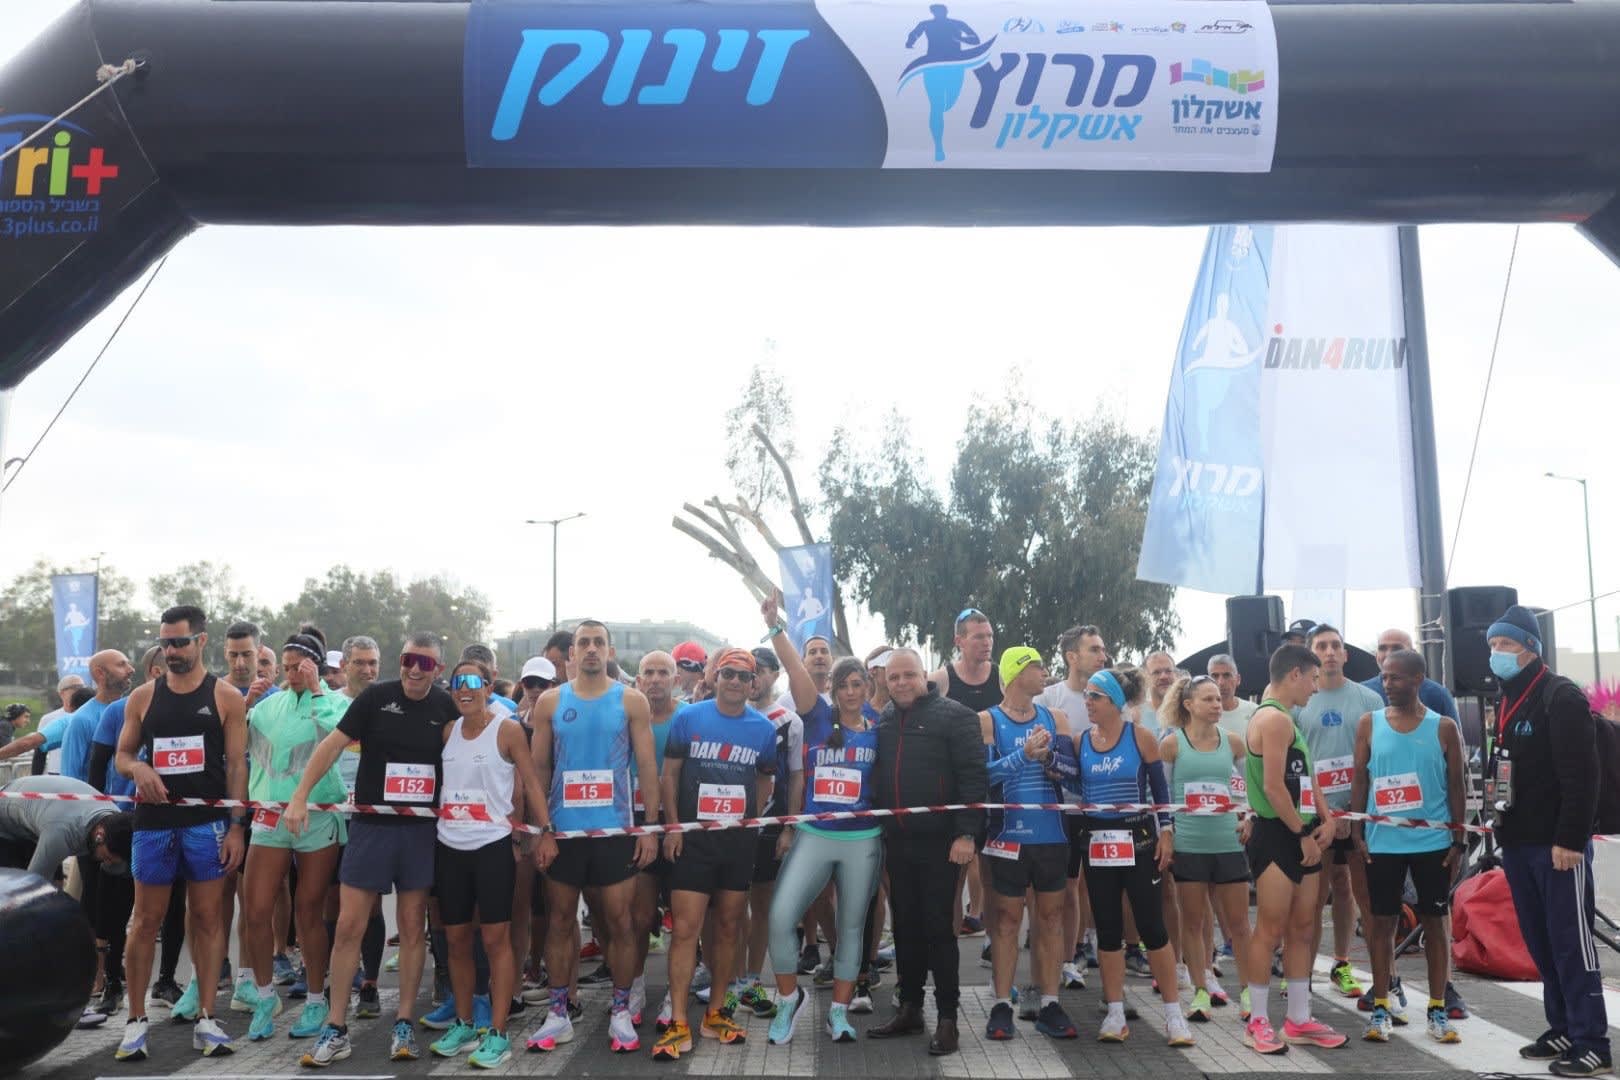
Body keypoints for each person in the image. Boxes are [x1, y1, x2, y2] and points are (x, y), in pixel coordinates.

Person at [287, 631, 459, 1067]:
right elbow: (331, 745)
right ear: (399, 661)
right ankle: (336, 1026)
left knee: (412, 926)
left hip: (420, 831)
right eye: (409, 659)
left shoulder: (444, 705)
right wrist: (300, 795)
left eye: (426, 663)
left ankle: (403, 1023)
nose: (415, 669)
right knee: (348, 926)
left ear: (438, 669)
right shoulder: (376, 698)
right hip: (371, 828)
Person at [114, 605, 249, 1062]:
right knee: (144, 920)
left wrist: (236, 826)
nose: (171, 651)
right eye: (166, 642)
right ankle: (134, 1021)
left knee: (209, 919)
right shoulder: (143, 697)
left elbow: (236, 766)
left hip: (205, 823)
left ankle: (207, 1017)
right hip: (153, 824)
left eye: (180, 642)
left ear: (201, 641)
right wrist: (138, 769)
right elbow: (122, 756)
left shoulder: (227, 697)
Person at [1486, 605, 1611, 1077]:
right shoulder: (1506, 697)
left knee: (1570, 944)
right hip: (1518, 842)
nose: (1497, 653)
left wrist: (1571, 838)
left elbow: (1583, 777)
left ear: (1531, 649)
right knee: (1540, 942)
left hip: (1558, 846)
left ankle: (1592, 1039)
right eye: (1493, 645)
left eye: (1507, 645)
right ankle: (1561, 1024)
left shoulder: (1560, 696)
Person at [527, 620, 661, 1054]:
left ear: (609, 651)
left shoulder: (631, 700)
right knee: (561, 921)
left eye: (597, 643)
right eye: (582, 643)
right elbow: (540, 770)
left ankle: (621, 1010)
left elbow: (646, 767)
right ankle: (559, 1012)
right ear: (571, 653)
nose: (589, 649)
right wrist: (542, 828)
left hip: (614, 830)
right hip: (564, 832)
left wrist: (649, 828)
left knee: (619, 923)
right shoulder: (550, 701)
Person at [651, 647, 778, 1061]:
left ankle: (717, 1012)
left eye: (744, 677)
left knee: (727, 928)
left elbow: (764, 778)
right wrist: (672, 827)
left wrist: (751, 823)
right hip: (693, 841)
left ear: (754, 683)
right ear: (715, 676)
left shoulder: (762, 729)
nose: (736, 683)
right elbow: (668, 774)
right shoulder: (689, 717)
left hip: (736, 844)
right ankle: (679, 1020)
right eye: (728, 675)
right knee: (686, 930)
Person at [1056, 667, 1191, 1046]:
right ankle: (1115, 1012)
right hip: (1096, 841)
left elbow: (1160, 792)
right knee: (1108, 930)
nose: (1088, 703)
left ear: (1114, 702)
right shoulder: (1082, 741)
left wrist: (1166, 831)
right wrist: (1048, 762)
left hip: (1137, 838)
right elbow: (1069, 781)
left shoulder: (1140, 737)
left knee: (1152, 927)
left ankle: (1173, 1014)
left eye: (1095, 697)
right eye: (1086, 697)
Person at [765, 610, 881, 1045]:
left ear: (868, 688)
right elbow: (795, 667)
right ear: (831, 688)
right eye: (843, 684)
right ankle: (788, 999)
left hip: (863, 839)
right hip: (816, 834)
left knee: (852, 926)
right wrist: (776, 628)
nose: (851, 692)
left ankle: (840, 1012)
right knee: (780, 916)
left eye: (858, 684)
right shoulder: (815, 715)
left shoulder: (879, 729)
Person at [425, 658, 548, 1068]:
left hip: (493, 846)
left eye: (472, 682)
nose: (464, 689)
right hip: (450, 846)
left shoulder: (507, 729)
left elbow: (530, 781)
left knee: (496, 940)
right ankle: (463, 1021)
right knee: (457, 940)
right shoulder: (448, 732)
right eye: (457, 683)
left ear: (489, 686)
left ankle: (497, 1033)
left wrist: (543, 831)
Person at [867, 648, 985, 1056]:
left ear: (924, 675)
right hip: (897, 842)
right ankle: (910, 1008)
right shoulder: (883, 720)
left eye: (908, 676)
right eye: (894, 677)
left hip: (942, 844)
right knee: (905, 929)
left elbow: (974, 778)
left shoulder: (956, 716)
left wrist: (966, 834)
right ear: (885, 680)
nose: (901, 683)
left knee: (939, 930)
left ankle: (948, 1019)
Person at [239, 635, 353, 1043]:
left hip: (318, 816)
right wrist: (244, 706)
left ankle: (317, 998)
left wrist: (318, 689)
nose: (292, 673)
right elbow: (233, 743)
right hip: (271, 813)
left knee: (309, 911)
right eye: (286, 666)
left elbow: (340, 737)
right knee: (255, 909)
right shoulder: (268, 705)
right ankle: (266, 995)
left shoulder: (336, 702)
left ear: (317, 665)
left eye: (299, 666)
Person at [1349, 648, 1465, 1045]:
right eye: (1384, 677)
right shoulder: (1369, 724)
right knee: (1381, 925)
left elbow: (1456, 786)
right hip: (1383, 841)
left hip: (1432, 841)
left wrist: (1459, 839)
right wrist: (1357, 830)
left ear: (1418, 680)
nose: (1387, 684)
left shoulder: (1443, 727)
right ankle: (1381, 1005)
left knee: (1435, 924)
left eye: (1395, 678)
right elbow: (1360, 780)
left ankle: (1436, 1008)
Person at [1242, 644, 1346, 1056]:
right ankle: (1259, 1021)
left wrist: (1327, 819)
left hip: (1301, 830)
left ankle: (1299, 1018)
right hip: (1277, 834)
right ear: (1295, 675)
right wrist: (1303, 830)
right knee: (1269, 929)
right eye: (1314, 679)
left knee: (1303, 928)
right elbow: (1271, 788)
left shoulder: (1288, 720)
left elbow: (1306, 779)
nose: (1317, 688)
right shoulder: (1271, 719)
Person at [980, 646, 1078, 1041]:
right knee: (1005, 921)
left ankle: (1049, 1003)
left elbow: (1073, 775)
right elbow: (982, 775)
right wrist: (1022, 755)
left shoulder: (1055, 718)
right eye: (1038, 667)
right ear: (1018, 673)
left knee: (1051, 919)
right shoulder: (987, 720)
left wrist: (1048, 758)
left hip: (1052, 834)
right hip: (1007, 837)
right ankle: (1002, 1002)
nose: (1045, 673)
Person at [1159, 675, 1252, 1021]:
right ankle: (1199, 990)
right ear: (1189, 705)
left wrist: (1248, 818)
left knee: (1239, 924)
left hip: (1228, 843)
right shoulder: (1172, 744)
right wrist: (1166, 832)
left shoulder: (1234, 742)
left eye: (1218, 699)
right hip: (1189, 844)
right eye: (1208, 699)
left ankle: (1247, 992)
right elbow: (1163, 796)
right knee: (1193, 923)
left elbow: (1249, 788)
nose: (1217, 704)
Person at [1299, 625, 1383, 1000]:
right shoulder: (1302, 701)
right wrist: (1323, 814)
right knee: (1311, 898)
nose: (1330, 651)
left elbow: (1379, 759)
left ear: (1346, 654)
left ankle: (1342, 962)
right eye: (1322, 646)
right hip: (1316, 814)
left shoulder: (1368, 699)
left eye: (1336, 645)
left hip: (1359, 814)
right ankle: (1300, 973)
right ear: (1311, 655)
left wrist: (1354, 812)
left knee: (1351, 890)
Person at [1038, 624, 1106, 988]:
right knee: (1061, 887)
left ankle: (1075, 951)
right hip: (1056, 809)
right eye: (1094, 649)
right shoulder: (1049, 698)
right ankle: (1059, 959)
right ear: (1072, 656)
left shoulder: (1109, 699)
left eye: (1102, 649)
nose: (1102, 655)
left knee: (1087, 887)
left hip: (1096, 810)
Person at [740, 642, 802, 1022]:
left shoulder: (787, 720)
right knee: (729, 909)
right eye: (749, 669)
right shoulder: (729, 712)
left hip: (768, 827)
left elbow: (796, 778)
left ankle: (750, 979)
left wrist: (788, 828)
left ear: (774, 675)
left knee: (761, 907)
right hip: (729, 828)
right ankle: (727, 982)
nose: (754, 676)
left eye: (761, 669)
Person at [930, 609, 997, 937]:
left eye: (989, 636)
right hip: (955, 789)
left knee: (994, 873)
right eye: (978, 636)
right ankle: (948, 948)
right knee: (953, 876)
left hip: (996, 785)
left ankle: (988, 933)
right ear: (959, 641)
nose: (987, 642)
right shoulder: (941, 679)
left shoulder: (1001, 678)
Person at [0, 774, 132, 878]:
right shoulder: (63, 832)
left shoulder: (117, 820)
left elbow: (118, 867)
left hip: (43, 816)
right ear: (99, 835)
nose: (108, 863)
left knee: (55, 887)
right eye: (108, 858)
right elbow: (32, 884)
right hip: (6, 817)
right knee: (14, 891)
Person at [1208, 654, 1258, 737]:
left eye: (1227, 675)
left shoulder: (1254, 711)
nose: (1221, 682)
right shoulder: (1200, 715)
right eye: (1215, 676)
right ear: (1208, 681)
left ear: (1238, 679)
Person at [1139, 652, 1177, 731]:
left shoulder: (1189, 711)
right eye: (1156, 672)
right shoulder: (1137, 716)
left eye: (1168, 671)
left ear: (1175, 674)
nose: (1164, 676)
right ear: (1145, 677)